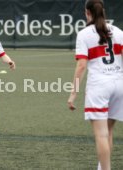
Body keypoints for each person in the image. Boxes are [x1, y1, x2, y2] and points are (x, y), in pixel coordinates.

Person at [67, 0, 123, 169]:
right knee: (108, 132)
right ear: (103, 11)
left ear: (87, 13)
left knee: (101, 135)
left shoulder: (84, 34)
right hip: (119, 84)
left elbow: (82, 65)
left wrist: (73, 93)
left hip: (99, 86)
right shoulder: (119, 32)